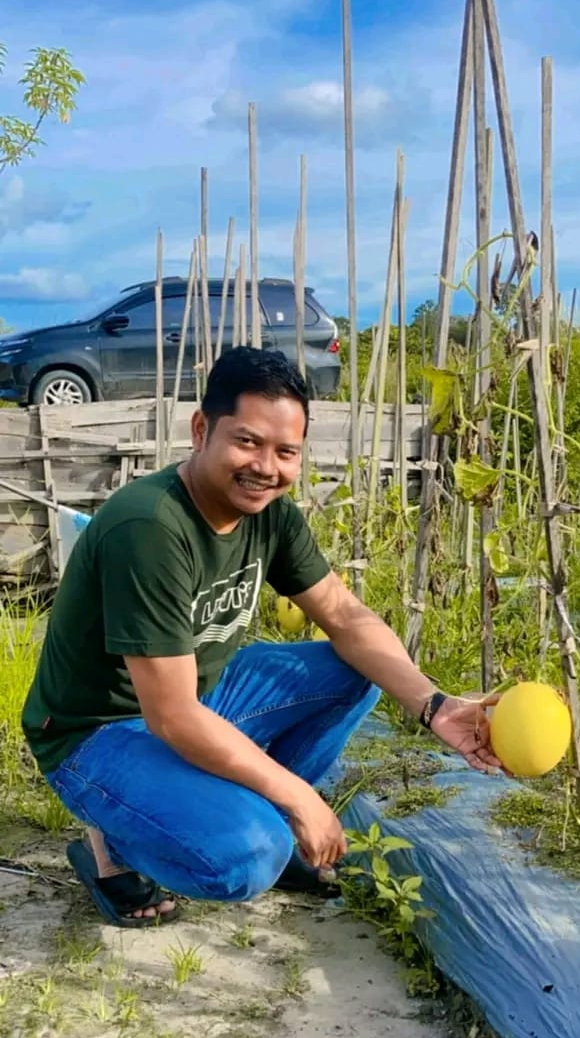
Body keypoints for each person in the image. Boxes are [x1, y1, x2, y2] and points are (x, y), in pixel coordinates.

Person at [21, 347, 502, 928]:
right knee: (247, 858)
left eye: (286, 452)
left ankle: (244, 816)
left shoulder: (269, 515)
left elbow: (345, 616)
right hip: (96, 732)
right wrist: (299, 798)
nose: (266, 467)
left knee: (358, 669)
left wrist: (436, 705)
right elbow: (170, 716)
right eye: (247, 442)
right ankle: (110, 848)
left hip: (199, 699)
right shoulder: (148, 528)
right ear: (201, 430)